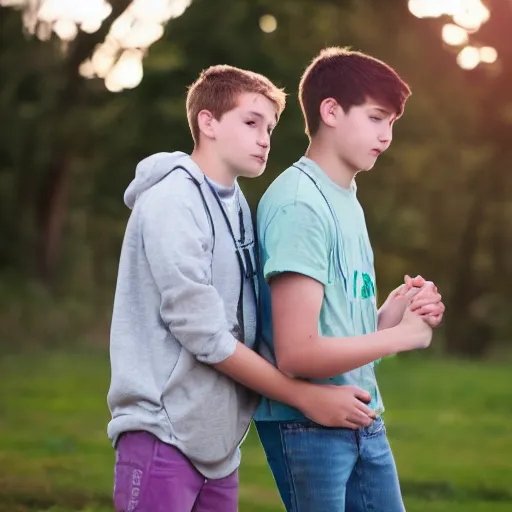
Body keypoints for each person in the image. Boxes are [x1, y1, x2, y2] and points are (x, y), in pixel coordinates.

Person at [107, 64, 381, 512]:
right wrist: (302, 396)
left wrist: (382, 319)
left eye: (270, 128)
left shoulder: (238, 207)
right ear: (207, 122)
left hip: (219, 446)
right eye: (251, 122)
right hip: (161, 431)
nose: (265, 139)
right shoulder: (171, 201)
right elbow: (205, 335)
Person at [254, 48, 445, 512]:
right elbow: (298, 354)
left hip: (362, 418)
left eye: (393, 124)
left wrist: (391, 314)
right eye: (377, 118)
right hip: (308, 426)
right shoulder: (301, 204)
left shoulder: (345, 197)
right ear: (331, 110)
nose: (387, 136)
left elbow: (336, 335)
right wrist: (399, 338)